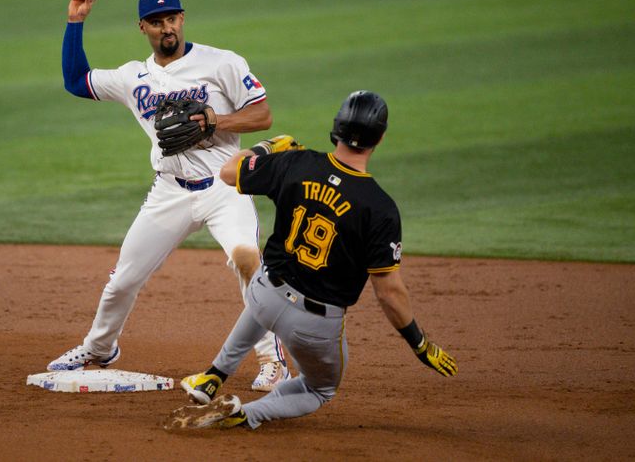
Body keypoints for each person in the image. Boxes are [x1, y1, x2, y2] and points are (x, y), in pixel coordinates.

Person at [165, 91, 457, 430]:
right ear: (380, 137)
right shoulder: (380, 208)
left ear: (336, 128)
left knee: (263, 295)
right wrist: (419, 344)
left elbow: (229, 172)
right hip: (313, 326)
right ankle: (247, 413)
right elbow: (389, 293)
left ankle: (213, 377)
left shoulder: (296, 163)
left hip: (264, 293)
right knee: (319, 389)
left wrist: (269, 146)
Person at [47, 0, 290, 391]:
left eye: (172, 18)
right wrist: (76, 22)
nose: (166, 28)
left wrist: (217, 121)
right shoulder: (131, 77)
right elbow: (76, 81)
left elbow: (262, 115)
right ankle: (100, 347)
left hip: (223, 187)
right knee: (123, 279)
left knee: (247, 259)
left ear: (182, 19)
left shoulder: (222, 63)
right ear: (142, 27)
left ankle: (273, 360)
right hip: (169, 191)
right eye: (157, 22)